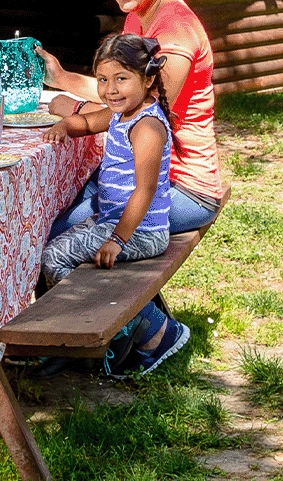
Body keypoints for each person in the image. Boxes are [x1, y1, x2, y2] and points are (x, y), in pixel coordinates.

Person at [40, 0, 223, 234]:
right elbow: (123, 93)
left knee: (60, 233)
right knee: (48, 213)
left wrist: (76, 111)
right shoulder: (137, 16)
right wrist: (61, 77)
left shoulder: (175, 34)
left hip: (182, 186)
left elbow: (142, 115)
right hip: (132, 170)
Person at [40, 32, 190, 375]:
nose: (110, 90)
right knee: (53, 244)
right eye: (104, 80)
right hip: (113, 221)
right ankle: (92, 334)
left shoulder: (147, 126)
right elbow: (88, 123)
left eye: (121, 79)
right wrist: (66, 123)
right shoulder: (121, 114)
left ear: (148, 79)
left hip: (140, 231)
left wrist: (117, 239)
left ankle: (148, 326)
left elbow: (145, 191)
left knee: (53, 257)